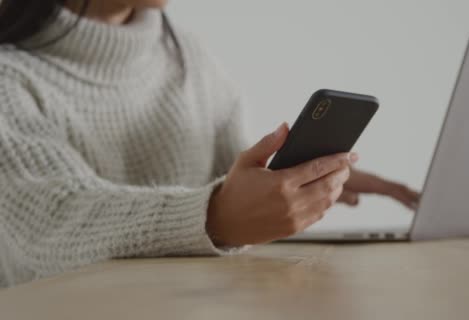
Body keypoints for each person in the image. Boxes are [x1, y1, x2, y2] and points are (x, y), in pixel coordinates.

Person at [0, 0, 419, 288]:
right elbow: (54, 221)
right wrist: (213, 215)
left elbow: (227, 171)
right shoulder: (10, 79)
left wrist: (292, 178)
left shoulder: (186, 56)